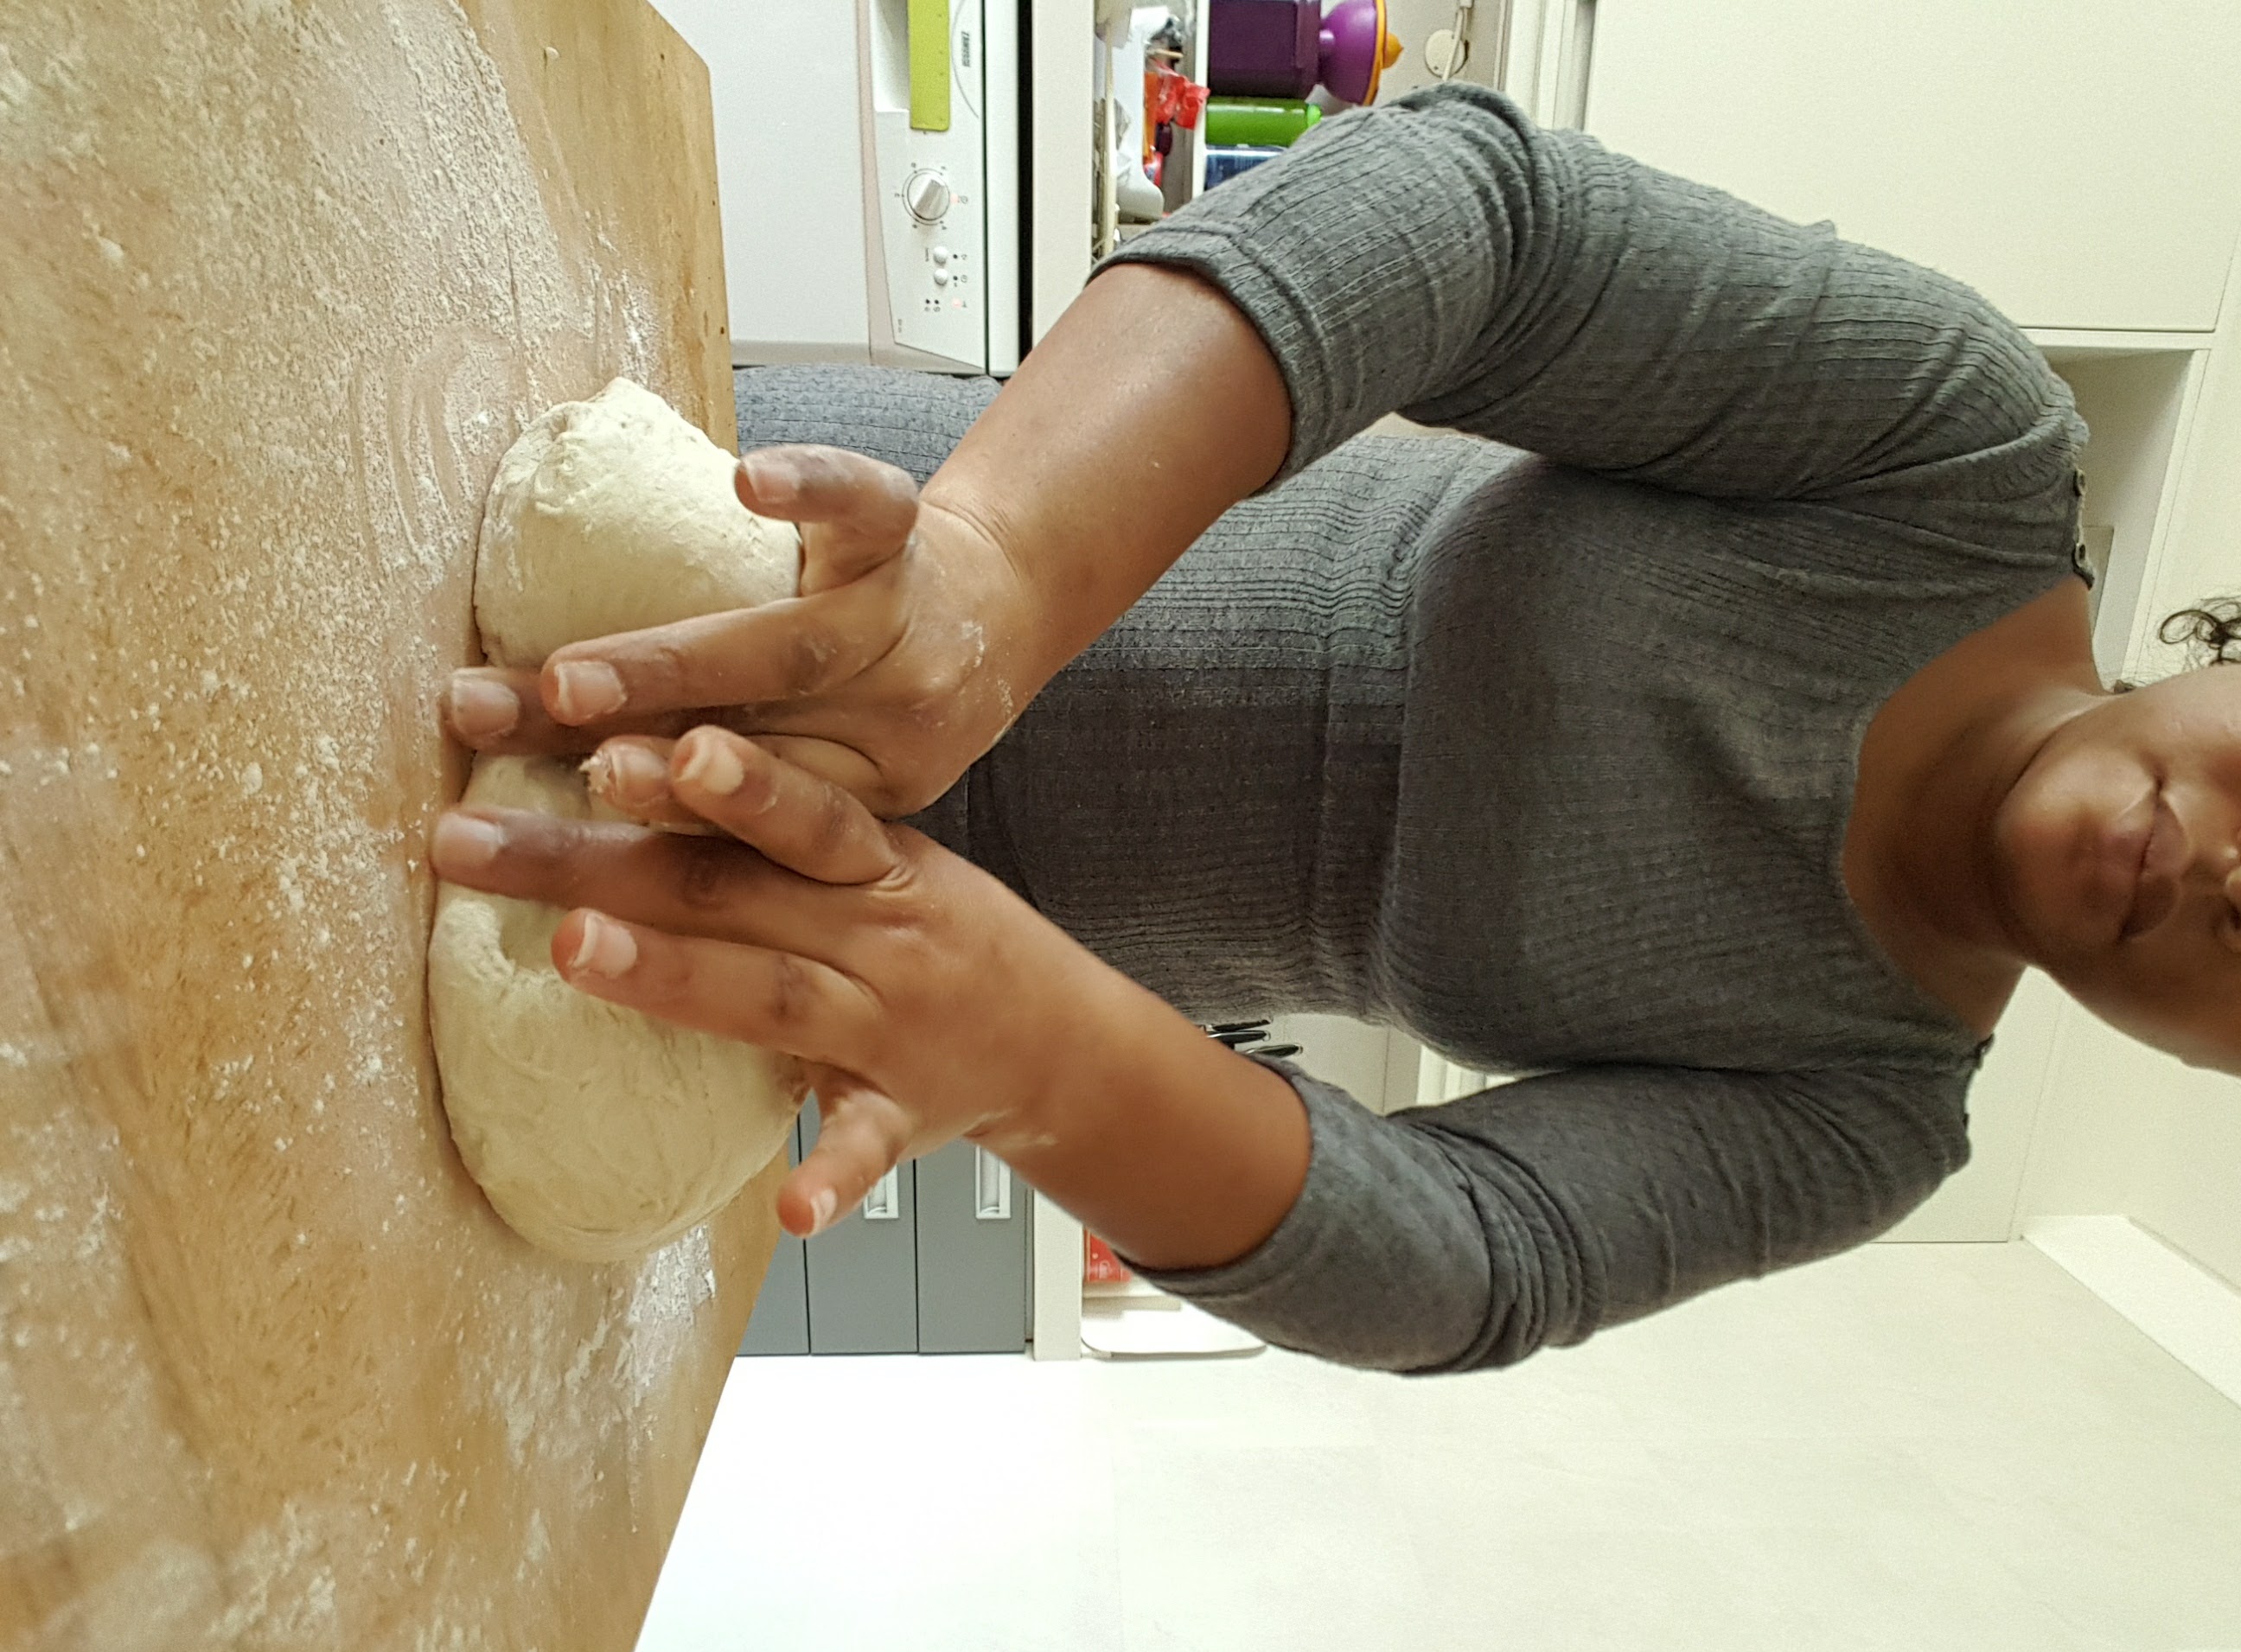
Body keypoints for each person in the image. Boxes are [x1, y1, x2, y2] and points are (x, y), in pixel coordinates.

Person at [429, 86, 2241, 1374]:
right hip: (834, 548)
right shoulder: (1952, 460)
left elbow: (1476, 1265)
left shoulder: (1865, 1112)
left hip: (818, 957)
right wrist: (985, 583)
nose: (2236, 882)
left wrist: (1034, 1050)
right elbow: (1483, 222)